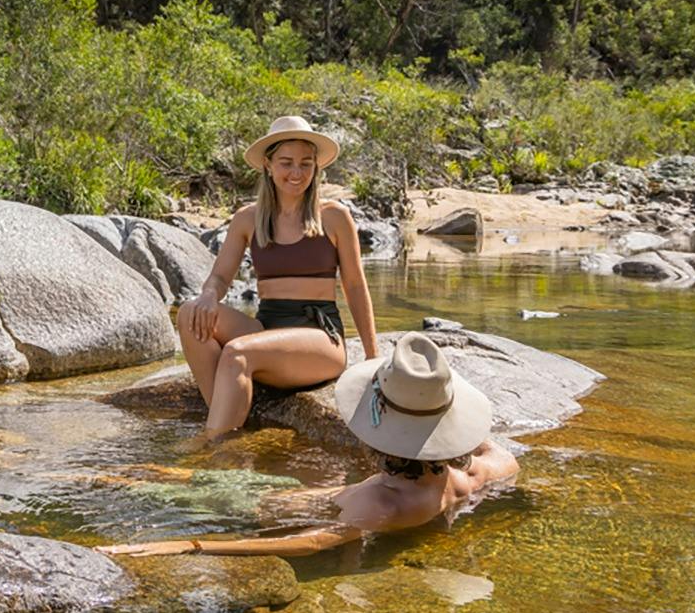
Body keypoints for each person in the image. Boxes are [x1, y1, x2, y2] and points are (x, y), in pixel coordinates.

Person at [100, 333, 519, 557]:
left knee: (139, 484)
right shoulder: (462, 481)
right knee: (159, 479)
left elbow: (305, 543)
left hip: (254, 507)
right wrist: (445, 431)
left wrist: (187, 545)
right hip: (284, 496)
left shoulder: (380, 505)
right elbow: (504, 459)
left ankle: (86, 475)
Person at [178, 115, 379, 439]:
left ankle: (212, 447)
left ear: (316, 167)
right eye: (286, 163)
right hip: (266, 330)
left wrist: (372, 358)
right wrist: (208, 295)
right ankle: (228, 423)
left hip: (319, 338)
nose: (296, 173)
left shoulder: (334, 217)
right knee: (190, 315)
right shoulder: (247, 219)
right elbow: (220, 276)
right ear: (268, 166)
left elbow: (355, 285)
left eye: (306, 163)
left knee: (237, 352)